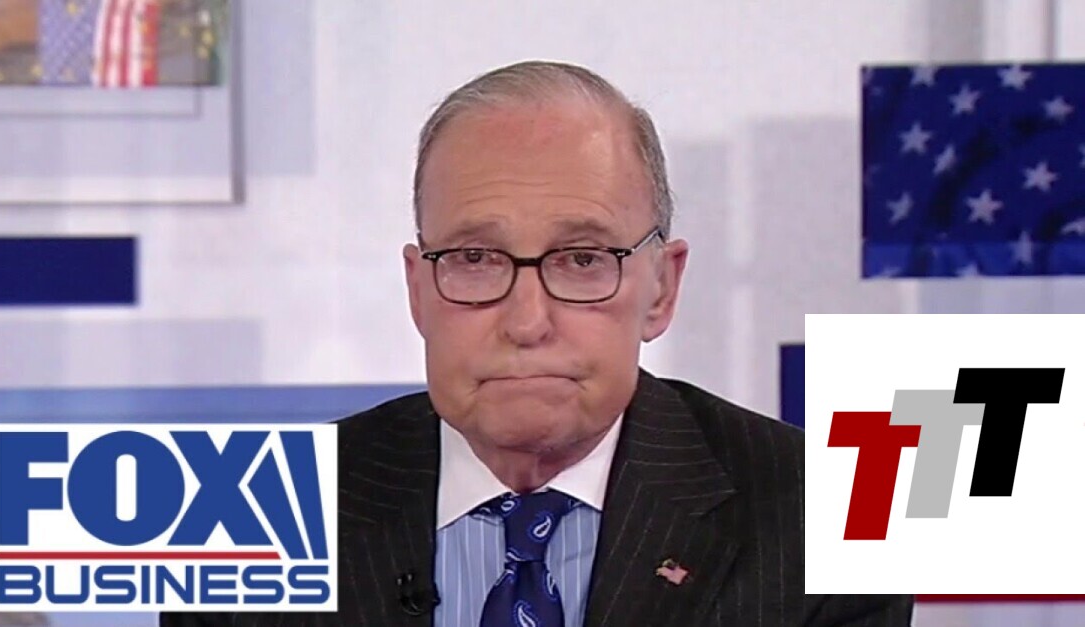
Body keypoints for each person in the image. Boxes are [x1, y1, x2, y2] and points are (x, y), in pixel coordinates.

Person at [163, 60, 913, 626]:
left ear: (661, 287)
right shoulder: (245, 525)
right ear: (418, 289)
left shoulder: (824, 519)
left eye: (583, 260)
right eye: (475, 258)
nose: (527, 321)